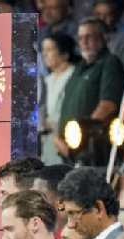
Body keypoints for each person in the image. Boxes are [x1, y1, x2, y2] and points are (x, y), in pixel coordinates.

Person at [56, 18, 124, 158]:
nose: (84, 42)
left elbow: (108, 105)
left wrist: (81, 135)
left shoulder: (110, 62)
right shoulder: (79, 68)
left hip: (93, 151)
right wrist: (59, 139)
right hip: (70, 150)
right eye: (80, 38)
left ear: (103, 38)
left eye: (89, 37)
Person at [40, 33, 76, 165]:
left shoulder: (74, 75)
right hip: (48, 139)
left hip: (66, 137)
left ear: (64, 53)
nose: (45, 54)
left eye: (50, 49)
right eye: (43, 50)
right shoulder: (47, 80)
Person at [92, 0, 124, 69]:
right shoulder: (85, 33)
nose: (102, 19)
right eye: (98, 14)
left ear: (117, 16)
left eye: (108, 15)